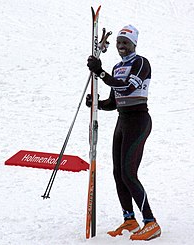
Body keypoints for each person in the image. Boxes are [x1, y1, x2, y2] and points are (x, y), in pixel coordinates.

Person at [86, 24, 161, 241]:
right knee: (118, 173)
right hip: (123, 121)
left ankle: (151, 222)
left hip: (138, 122)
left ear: (134, 44)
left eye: (125, 43)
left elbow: (128, 87)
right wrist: (97, 104)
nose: (121, 47)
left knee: (129, 173)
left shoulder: (141, 63)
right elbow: (114, 101)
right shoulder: (118, 66)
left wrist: (100, 72)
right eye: (119, 43)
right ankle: (129, 219)